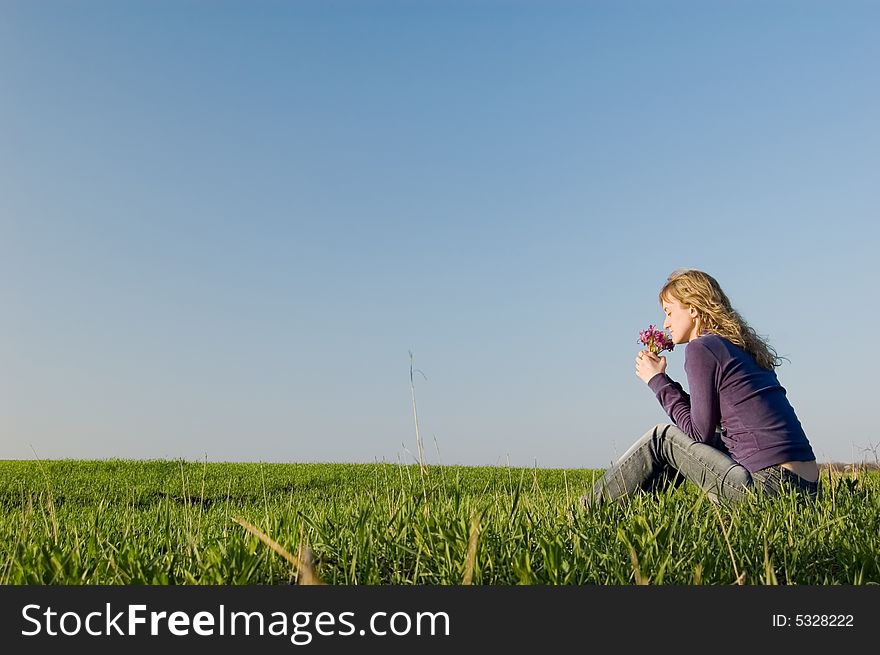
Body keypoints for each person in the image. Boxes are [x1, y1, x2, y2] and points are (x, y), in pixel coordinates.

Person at [580, 268, 819, 509]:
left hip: (767, 487)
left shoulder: (701, 348)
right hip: (804, 490)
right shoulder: (735, 347)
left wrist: (656, 381)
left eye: (669, 312)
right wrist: (664, 380)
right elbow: (705, 423)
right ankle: (640, 512)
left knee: (661, 438)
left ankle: (583, 512)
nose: (666, 323)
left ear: (693, 309)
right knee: (702, 440)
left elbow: (698, 434)